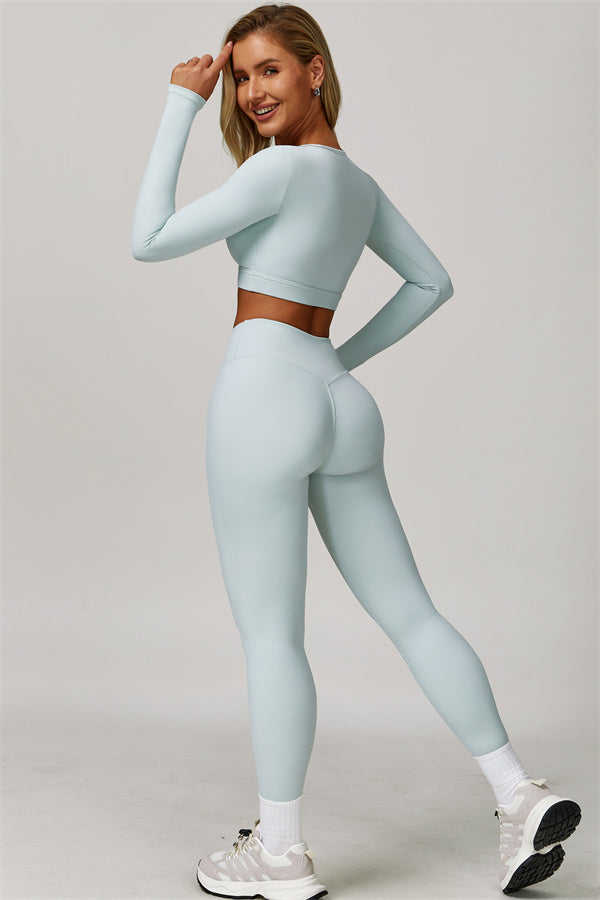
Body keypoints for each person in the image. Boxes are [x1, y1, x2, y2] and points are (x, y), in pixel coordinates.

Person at [131, 4, 581, 898]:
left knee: (272, 636)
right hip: (339, 399)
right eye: (239, 77)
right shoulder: (357, 184)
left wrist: (181, 103)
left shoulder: (278, 171)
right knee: (412, 612)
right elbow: (432, 282)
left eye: (269, 70)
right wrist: (337, 363)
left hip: (264, 390)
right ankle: (516, 793)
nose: (251, 92)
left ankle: (281, 853)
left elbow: (147, 240)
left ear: (315, 70)